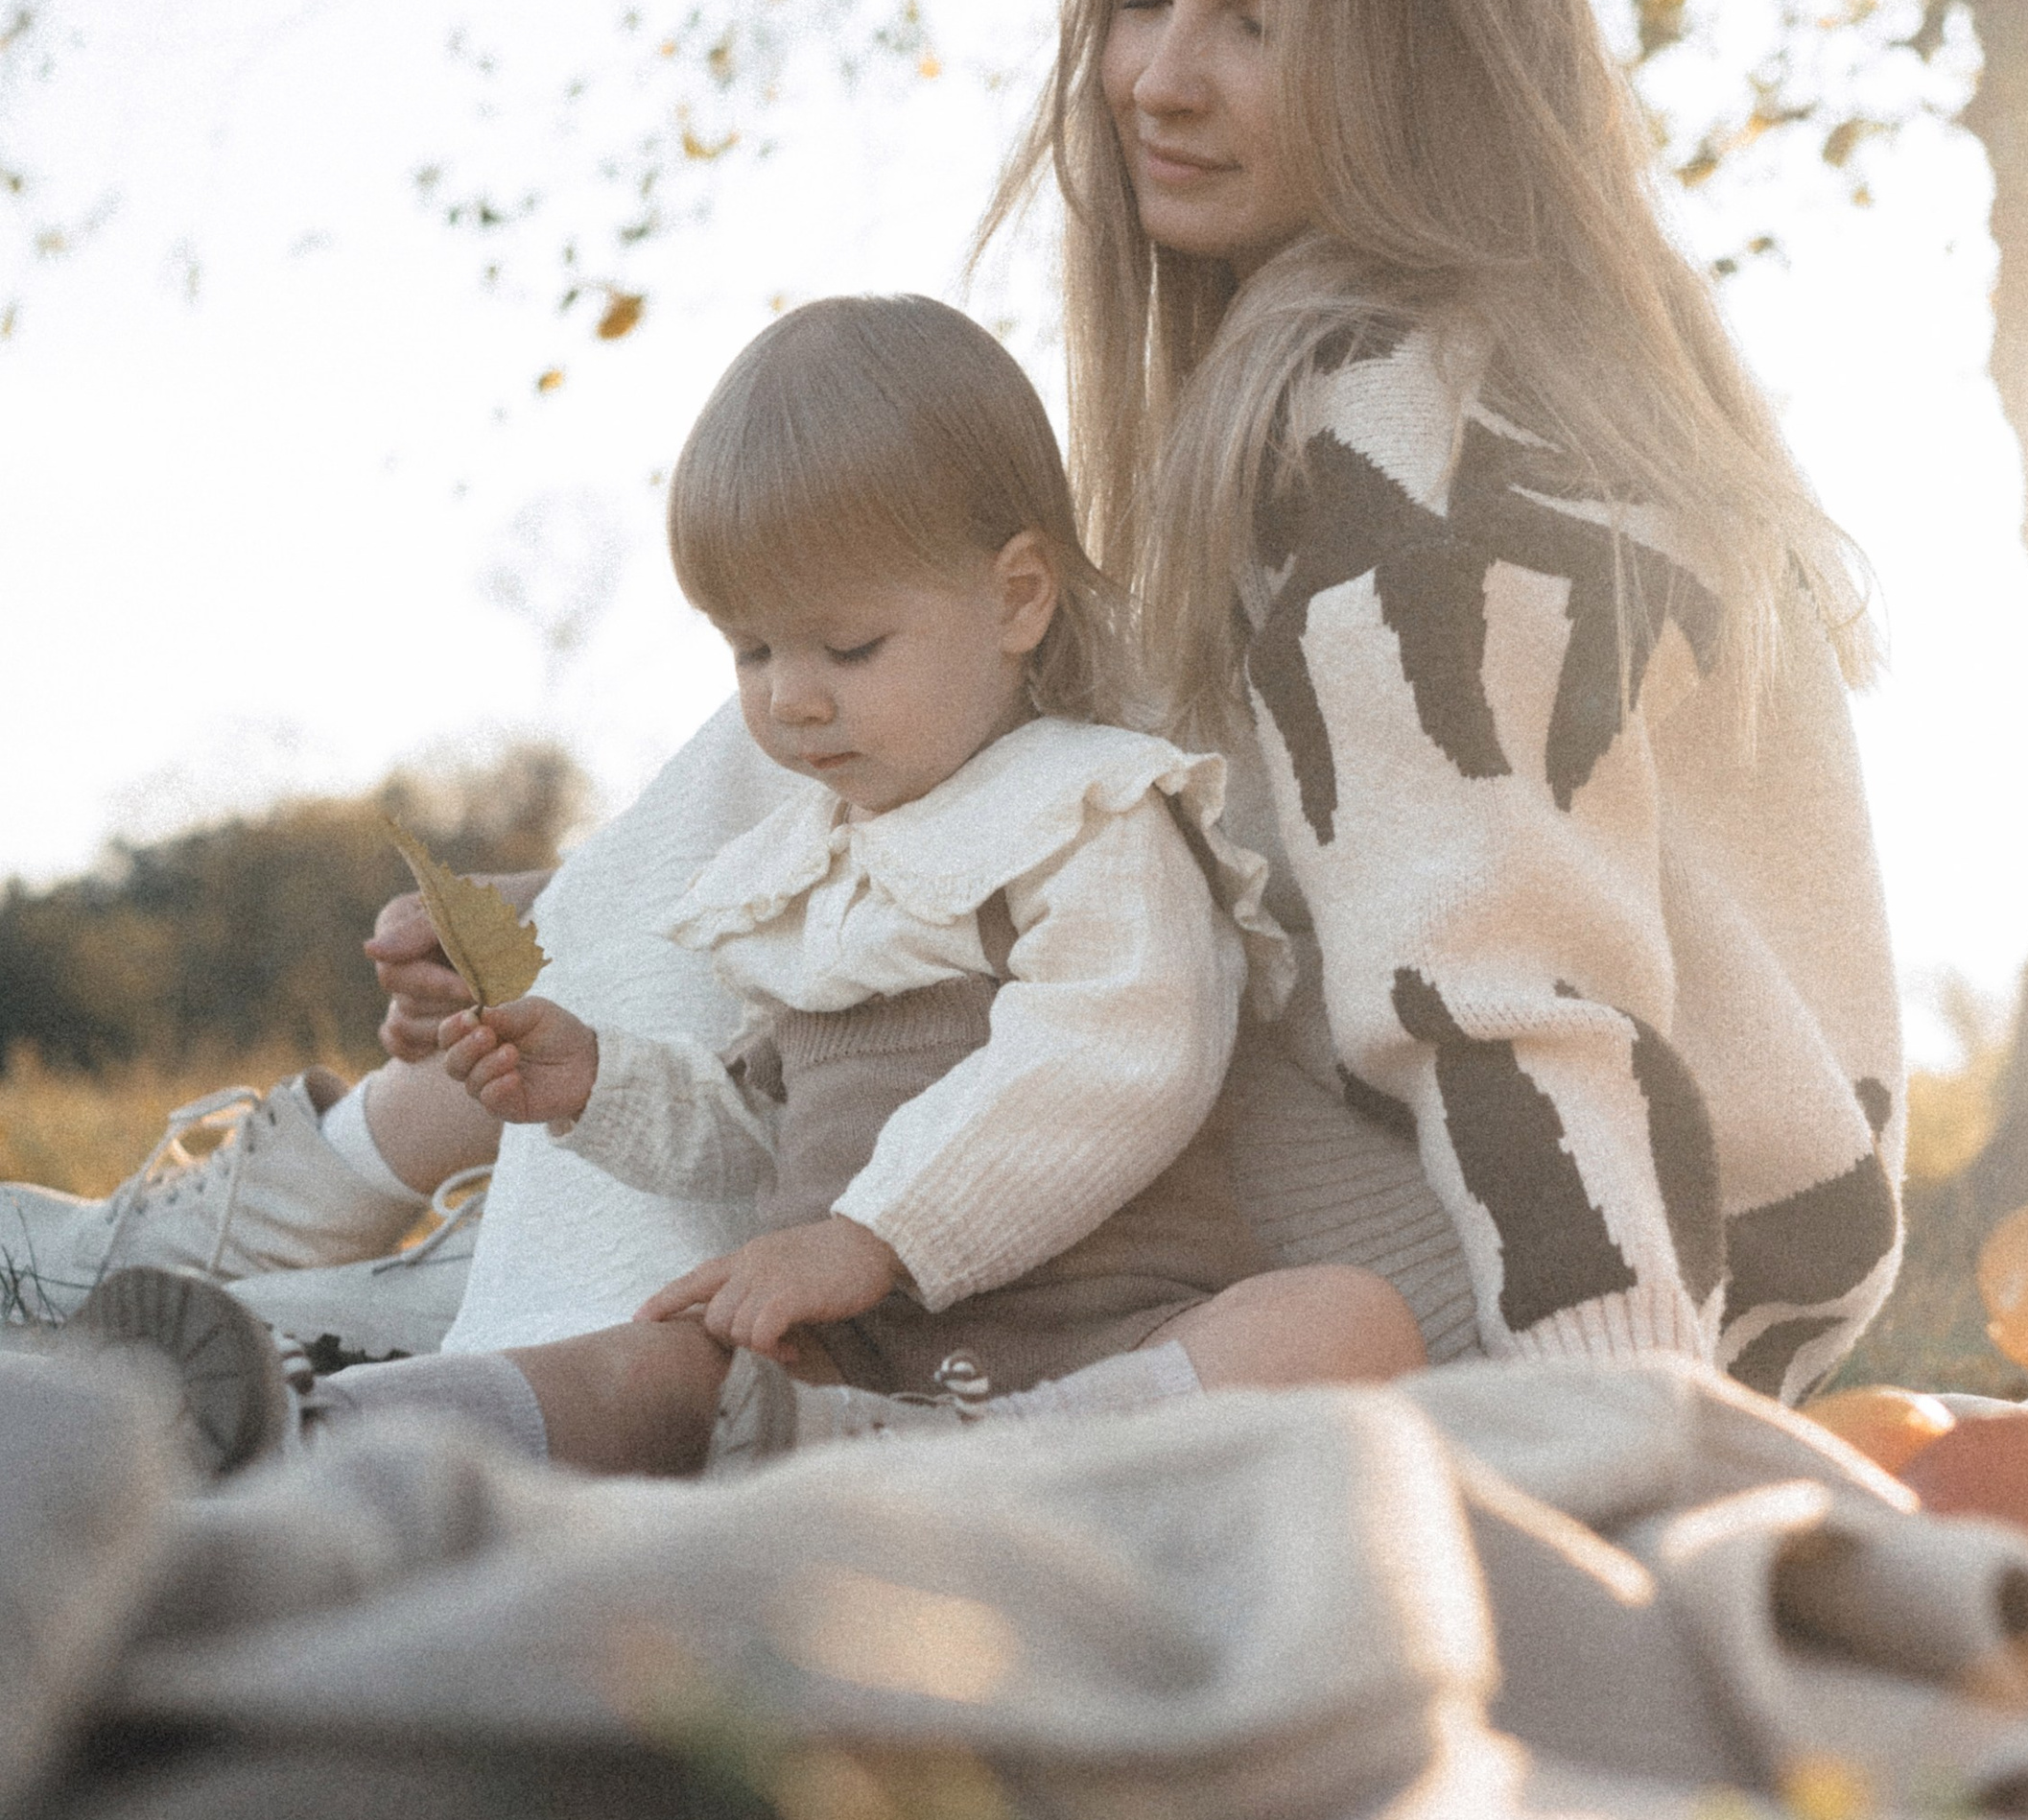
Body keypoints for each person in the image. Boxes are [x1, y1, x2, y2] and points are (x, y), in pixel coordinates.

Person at [8, 0, 1901, 1415]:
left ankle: (337, 1265)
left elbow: (1508, 1011)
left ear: (1422, 48)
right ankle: (361, 1257)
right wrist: (588, 925)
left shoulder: (1408, 440)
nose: (1157, 74)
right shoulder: (1484, 377)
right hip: (1503, 1238)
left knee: (847, 684)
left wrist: (1637, 1436)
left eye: (1256, 13)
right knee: (897, 687)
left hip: (1517, 1297)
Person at [326, 295, 1418, 1471]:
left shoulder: (1086, 809)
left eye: (848, 647)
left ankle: (1029, 1444)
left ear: (1016, 598)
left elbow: (1117, 1056)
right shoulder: (802, 876)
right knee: (648, 1354)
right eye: (751, 649)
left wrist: (874, 1235)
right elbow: (776, 1135)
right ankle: (327, 1424)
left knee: (1348, 1319)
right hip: (841, 1353)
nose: (791, 696)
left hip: (1101, 1332)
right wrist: (599, 1084)